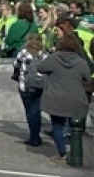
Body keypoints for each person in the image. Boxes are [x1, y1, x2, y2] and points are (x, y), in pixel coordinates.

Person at [35, 34, 93, 164]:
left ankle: (62, 153)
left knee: (57, 126)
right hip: (76, 99)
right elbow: (88, 78)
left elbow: (40, 68)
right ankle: (75, 152)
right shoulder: (80, 61)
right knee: (74, 127)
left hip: (56, 98)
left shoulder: (54, 58)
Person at [12, 33, 47, 147]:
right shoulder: (44, 54)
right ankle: (36, 136)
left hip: (25, 86)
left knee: (29, 111)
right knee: (36, 111)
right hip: (40, 86)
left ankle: (34, 137)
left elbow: (16, 65)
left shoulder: (23, 53)